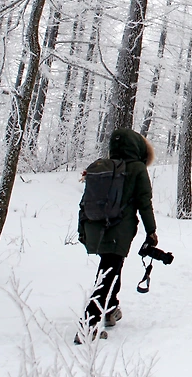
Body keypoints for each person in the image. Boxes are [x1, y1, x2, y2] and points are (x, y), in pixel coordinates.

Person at [76, 127, 158, 343]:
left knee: (111, 267)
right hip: (118, 229)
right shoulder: (138, 169)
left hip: (96, 227)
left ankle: (110, 309)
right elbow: (144, 203)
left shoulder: (103, 166)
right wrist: (151, 231)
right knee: (108, 273)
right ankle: (88, 325)